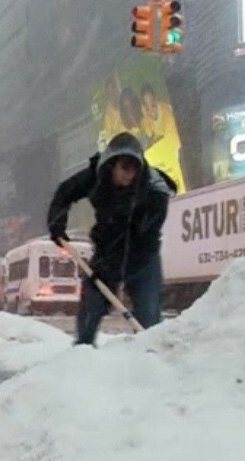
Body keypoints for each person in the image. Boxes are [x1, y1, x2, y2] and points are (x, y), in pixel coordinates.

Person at [46, 132, 175, 346]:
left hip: (143, 256)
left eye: (135, 169)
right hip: (107, 254)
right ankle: (83, 354)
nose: (130, 175)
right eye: (125, 168)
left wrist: (133, 222)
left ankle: (151, 362)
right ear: (112, 164)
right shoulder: (96, 176)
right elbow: (64, 193)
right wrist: (57, 224)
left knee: (148, 316)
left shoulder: (154, 188)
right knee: (90, 309)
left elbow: (148, 228)